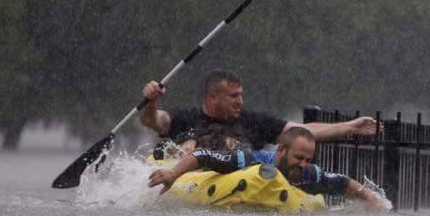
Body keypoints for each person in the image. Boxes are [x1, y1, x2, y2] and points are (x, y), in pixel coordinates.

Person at [148, 126, 388, 211]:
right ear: (281, 150)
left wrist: (370, 198)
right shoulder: (249, 159)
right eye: (299, 157)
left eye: (308, 159)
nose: (303, 164)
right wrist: (173, 174)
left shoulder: (308, 173)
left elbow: (342, 182)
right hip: (214, 178)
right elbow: (204, 156)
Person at [140, 70, 380, 152]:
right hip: (194, 184)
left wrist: (350, 126)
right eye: (233, 96)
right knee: (187, 145)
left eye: (241, 95)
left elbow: (302, 130)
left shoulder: (253, 122)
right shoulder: (185, 118)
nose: (240, 102)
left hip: (240, 184)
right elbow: (153, 121)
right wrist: (151, 101)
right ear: (212, 97)